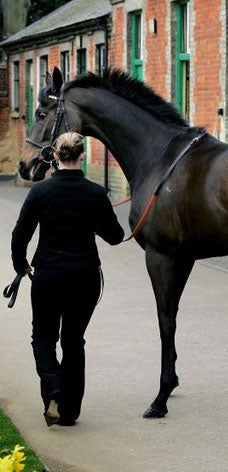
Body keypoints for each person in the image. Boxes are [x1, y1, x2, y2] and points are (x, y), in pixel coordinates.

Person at [11, 132, 125, 427]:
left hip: (48, 275)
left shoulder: (40, 192)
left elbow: (19, 236)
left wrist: (22, 266)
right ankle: (70, 413)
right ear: (82, 155)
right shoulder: (96, 193)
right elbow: (115, 237)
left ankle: (53, 385)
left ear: (56, 156)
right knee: (74, 340)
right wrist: (95, 221)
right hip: (85, 276)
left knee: (43, 337)